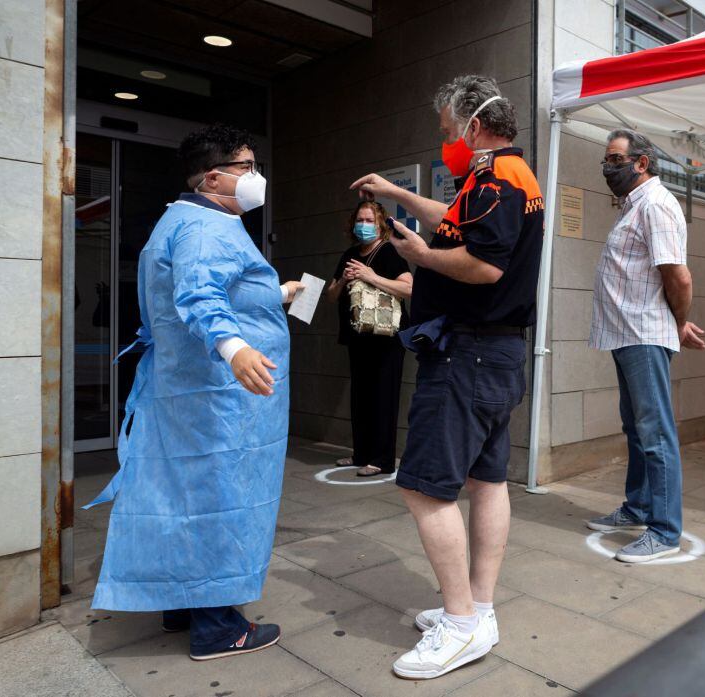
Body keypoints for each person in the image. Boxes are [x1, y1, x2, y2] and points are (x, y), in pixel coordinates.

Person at [84, 124, 304, 661]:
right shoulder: (208, 227)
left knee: (183, 497)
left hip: (188, 391)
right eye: (247, 166)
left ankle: (181, 603)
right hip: (218, 398)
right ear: (214, 177)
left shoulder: (181, 219)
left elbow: (214, 288)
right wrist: (235, 349)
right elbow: (200, 292)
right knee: (221, 500)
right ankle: (217, 626)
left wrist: (274, 294)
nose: (256, 177)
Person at [350, 75, 543, 680]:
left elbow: (483, 266)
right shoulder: (511, 177)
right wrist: (398, 197)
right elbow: (456, 220)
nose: (445, 143)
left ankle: (460, 625)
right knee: (487, 479)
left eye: (446, 131)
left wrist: (422, 258)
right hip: (495, 353)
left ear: (473, 126)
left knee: (425, 487)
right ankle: (477, 611)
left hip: (469, 354)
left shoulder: (494, 180)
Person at [585, 129, 705, 564]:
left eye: (616, 159)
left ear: (641, 163)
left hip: (644, 334)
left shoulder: (655, 205)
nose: (607, 166)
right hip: (627, 334)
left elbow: (679, 276)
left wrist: (677, 322)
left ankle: (665, 530)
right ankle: (637, 508)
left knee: (655, 434)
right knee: (636, 429)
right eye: (606, 159)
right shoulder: (634, 206)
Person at [324, 201, 412, 476]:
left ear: (381, 225)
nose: (363, 225)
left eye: (369, 220)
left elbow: (408, 288)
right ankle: (360, 453)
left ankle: (382, 459)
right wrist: (343, 281)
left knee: (383, 396)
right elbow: (331, 294)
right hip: (358, 335)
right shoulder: (350, 254)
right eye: (360, 220)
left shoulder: (389, 252)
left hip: (387, 338)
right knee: (360, 396)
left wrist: (371, 276)